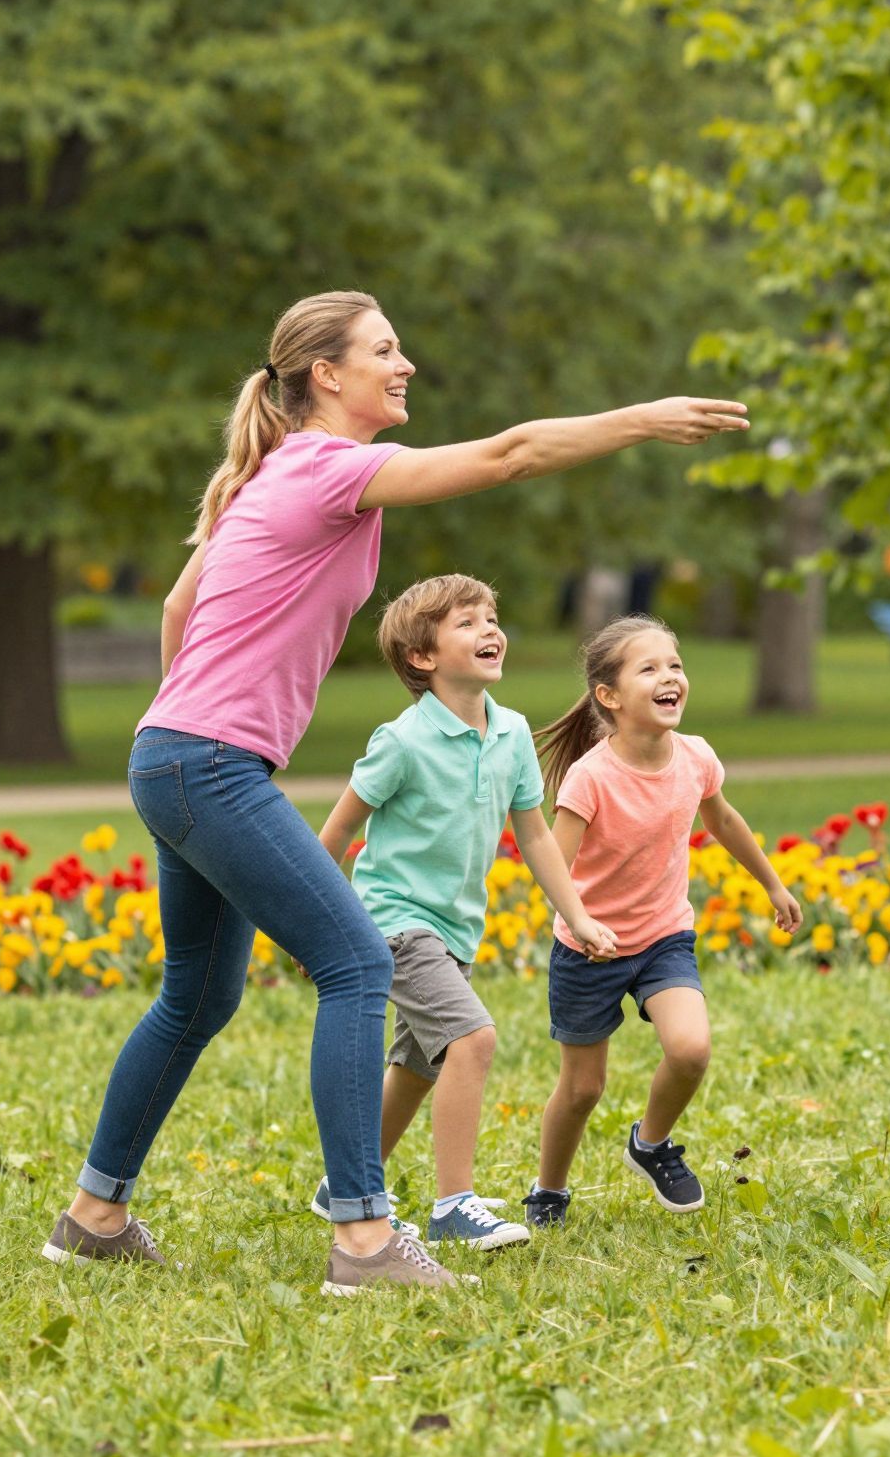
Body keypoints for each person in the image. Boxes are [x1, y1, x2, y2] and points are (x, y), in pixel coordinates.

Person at [44, 289, 747, 1294]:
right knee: (357, 966)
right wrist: (641, 420)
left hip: (175, 756)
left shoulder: (268, 474)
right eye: (384, 349)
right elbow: (508, 457)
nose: (403, 362)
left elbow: (176, 604)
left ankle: (94, 1216)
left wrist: (181, 717)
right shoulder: (327, 466)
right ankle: (365, 1241)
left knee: (199, 997)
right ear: (326, 375)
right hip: (204, 762)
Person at [309, 574, 618, 1254]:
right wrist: (310, 922)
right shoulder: (402, 740)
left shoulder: (509, 733)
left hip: (455, 930)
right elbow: (333, 834)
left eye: (491, 617)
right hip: (392, 919)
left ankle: (346, 1185)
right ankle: (454, 1205)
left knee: (418, 1067)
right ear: (423, 656)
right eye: (468, 622)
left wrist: (579, 915)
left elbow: (534, 835)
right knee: (471, 1040)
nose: (490, 630)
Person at [522, 615, 802, 1224]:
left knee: (691, 1048)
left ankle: (649, 1144)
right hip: (588, 947)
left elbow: (723, 821)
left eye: (674, 664)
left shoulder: (695, 756)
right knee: (582, 1089)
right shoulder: (590, 777)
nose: (669, 676)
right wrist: (581, 922)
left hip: (663, 936)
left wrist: (774, 884)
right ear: (610, 696)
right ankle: (549, 1190)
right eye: (648, 668)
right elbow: (552, 864)